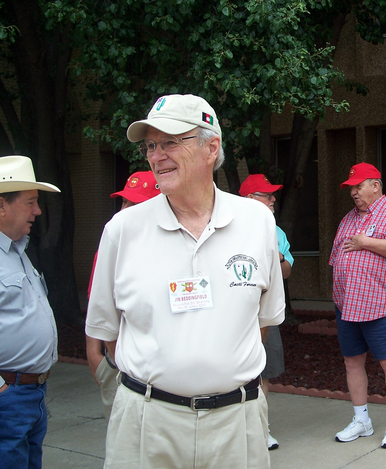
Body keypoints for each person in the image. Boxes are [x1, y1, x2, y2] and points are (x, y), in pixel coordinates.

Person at [85, 94, 286, 468]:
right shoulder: (122, 230)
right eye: (150, 145)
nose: (156, 156)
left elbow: (260, 325)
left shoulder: (257, 222)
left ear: (212, 148)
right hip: (147, 423)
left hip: (236, 423)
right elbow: (107, 335)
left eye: (171, 142)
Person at [329, 162, 386, 449]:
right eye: (351, 187)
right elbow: (336, 258)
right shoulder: (347, 219)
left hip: (381, 304)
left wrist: (366, 242)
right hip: (347, 304)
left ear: (375, 185)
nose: (353, 192)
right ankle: (361, 420)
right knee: (352, 362)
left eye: (358, 186)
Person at [0, 155, 60, 468]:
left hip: (31, 392)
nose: (37, 211)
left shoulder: (19, 251)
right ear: (1, 206)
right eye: (30, 202)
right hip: (9, 396)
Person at [85, 170, 160, 420]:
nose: (125, 209)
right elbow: (97, 310)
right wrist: (98, 360)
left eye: (135, 203)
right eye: (124, 201)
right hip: (118, 367)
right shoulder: (111, 246)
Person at [239, 173, 294, 450]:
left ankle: (262, 428)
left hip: (265, 314)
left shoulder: (276, 231)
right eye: (267, 195)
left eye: (272, 194)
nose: (273, 199)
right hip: (235, 314)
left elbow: (286, 272)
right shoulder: (229, 226)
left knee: (264, 372)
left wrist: (278, 256)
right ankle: (239, 430)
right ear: (249, 199)